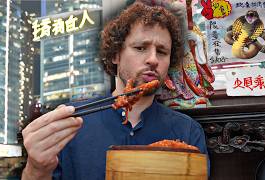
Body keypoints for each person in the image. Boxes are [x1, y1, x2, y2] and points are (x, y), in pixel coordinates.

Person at [21, 2, 209, 180]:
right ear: (115, 55)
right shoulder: (68, 125)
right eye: (140, 48)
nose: (153, 59)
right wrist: (36, 168)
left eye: (162, 52)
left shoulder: (187, 131)